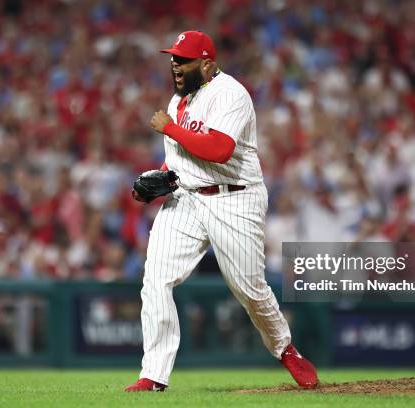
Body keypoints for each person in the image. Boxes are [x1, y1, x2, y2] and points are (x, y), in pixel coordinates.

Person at [125, 31, 318, 392]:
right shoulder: (177, 102)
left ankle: (285, 349)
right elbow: (179, 161)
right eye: (173, 58)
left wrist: (169, 128)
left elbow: (219, 150)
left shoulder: (231, 93)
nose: (175, 65)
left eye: (184, 60)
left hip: (235, 199)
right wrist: (157, 181)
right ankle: (153, 374)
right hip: (187, 198)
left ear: (208, 63)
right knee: (156, 280)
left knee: (250, 289)